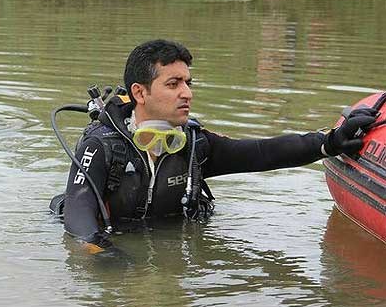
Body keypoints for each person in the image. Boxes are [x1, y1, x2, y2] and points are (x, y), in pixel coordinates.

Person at [56, 39, 378, 252]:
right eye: (173, 84)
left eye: (188, 83)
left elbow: (262, 153)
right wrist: (108, 259)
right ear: (140, 93)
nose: (187, 93)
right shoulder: (101, 146)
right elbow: (78, 217)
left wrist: (329, 141)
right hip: (119, 244)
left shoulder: (195, 146)